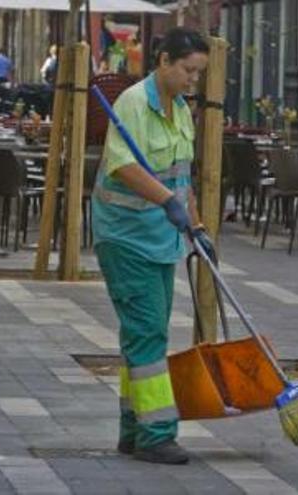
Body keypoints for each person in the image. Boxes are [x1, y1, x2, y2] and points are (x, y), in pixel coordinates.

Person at [91, 27, 210, 465]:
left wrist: (195, 226)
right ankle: (157, 433)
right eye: (188, 71)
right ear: (164, 61)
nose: (192, 81)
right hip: (125, 237)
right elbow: (124, 167)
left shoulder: (180, 110)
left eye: (198, 74)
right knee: (148, 334)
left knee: (143, 337)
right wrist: (166, 202)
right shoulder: (133, 105)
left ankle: (134, 429)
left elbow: (181, 175)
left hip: (161, 240)